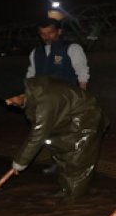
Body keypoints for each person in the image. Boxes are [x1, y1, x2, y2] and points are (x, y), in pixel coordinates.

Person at [0, 76, 107, 203]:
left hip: (86, 121)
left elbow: (37, 136)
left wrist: (20, 163)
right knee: (61, 157)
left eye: (10, 98)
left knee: (77, 162)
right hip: (67, 121)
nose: (8, 103)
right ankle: (67, 190)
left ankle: (75, 201)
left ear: (21, 94)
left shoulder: (44, 102)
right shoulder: (33, 92)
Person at [26, 18, 91, 176]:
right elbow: (31, 76)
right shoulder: (36, 53)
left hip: (68, 102)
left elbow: (82, 73)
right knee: (51, 136)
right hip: (46, 103)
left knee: (69, 135)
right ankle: (58, 163)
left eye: (50, 33)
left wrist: (82, 98)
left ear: (59, 31)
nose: (47, 37)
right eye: (43, 34)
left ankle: (73, 166)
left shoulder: (72, 48)